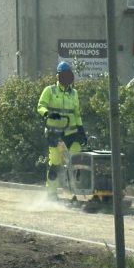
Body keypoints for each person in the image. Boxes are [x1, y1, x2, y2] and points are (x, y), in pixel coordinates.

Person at [37, 61, 87, 198]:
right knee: (55, 164)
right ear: (58, 76)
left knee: (76, 161)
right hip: (55, 134)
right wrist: (47, 113)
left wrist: (81, 130)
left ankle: (75, 191)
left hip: (72, 133)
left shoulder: (74, 93)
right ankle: (51, 194)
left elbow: (77, 114)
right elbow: (40, 106)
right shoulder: (50, 90)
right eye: (63, 75)